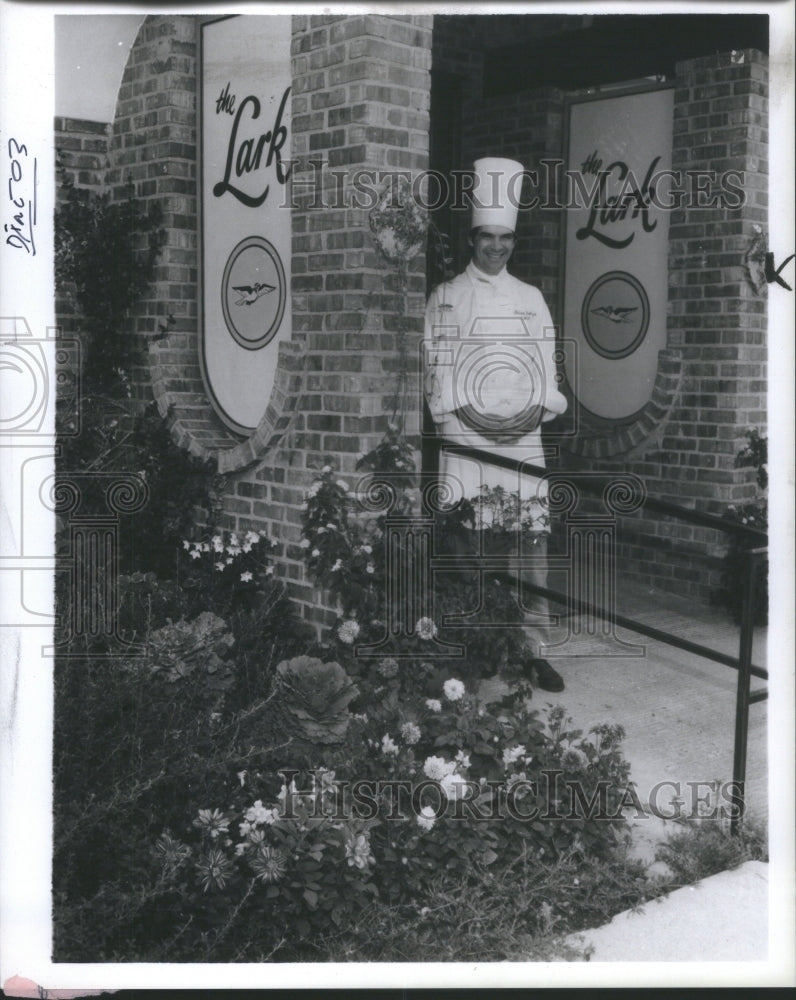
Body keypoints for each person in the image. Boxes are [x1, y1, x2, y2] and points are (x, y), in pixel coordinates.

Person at [423, 157, 568, 692]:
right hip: (469, 445)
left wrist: (524, 419)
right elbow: (438, 380)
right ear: (472, 238)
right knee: (472, 554)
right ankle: (477, 649)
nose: (497, 248)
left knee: (531, 556)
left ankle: (533, 649)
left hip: (525, 442)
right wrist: (485, 424)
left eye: (505, 239)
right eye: (487, 237)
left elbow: (546, 373)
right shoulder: (445, 298)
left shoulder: (531, 299)